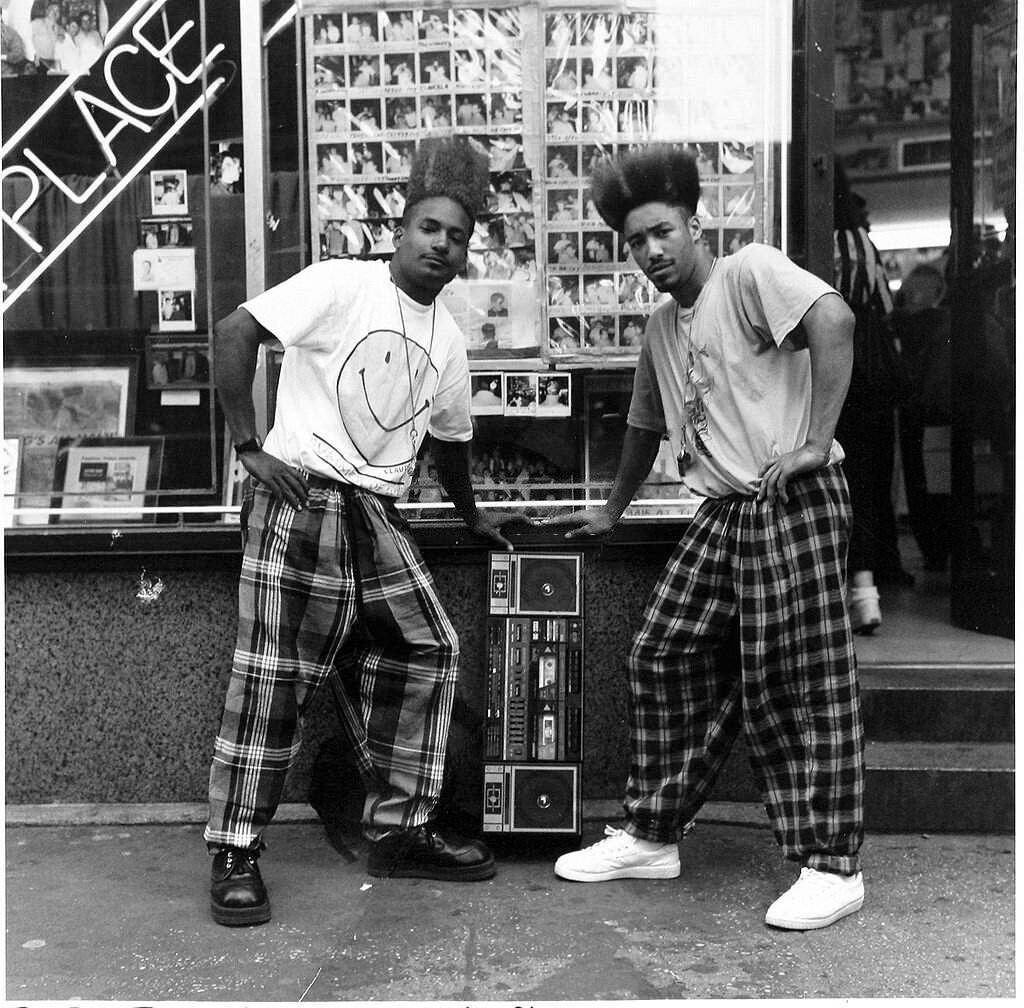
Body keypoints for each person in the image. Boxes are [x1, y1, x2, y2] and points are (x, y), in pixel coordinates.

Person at [205, 137, 533, 927]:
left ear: (465, 252)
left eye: (456, 237)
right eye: (429, 229)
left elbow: (451, 444)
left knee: (430, 647)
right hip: (302, 495)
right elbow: (232, 332)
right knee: (273, 675)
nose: (441, 246)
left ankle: (400, 828)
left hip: (378, 514)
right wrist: (249, 447)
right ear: (399, 231)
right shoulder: (340, 283)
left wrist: (473, 516)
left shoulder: (448, 339)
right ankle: (235, 849)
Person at [545, 145, 865, 932]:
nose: (650, 252)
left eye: (661, 232)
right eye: (634, 242)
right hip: (723, 509)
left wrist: (816, 441)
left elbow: (835, 317)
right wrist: (611, 512)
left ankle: (832, 865)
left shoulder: (748, 271)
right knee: (663, 653)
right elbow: (644, 425)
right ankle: (654, 833)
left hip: (789, 493)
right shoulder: (662, 323)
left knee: (796, 676)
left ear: (694, 223)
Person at [833, 163, 909, 633]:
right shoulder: (864, 245)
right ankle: (867, 594)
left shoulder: (811, 241)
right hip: (872, 374)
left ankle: (837, 594)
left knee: (833, 479)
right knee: (869, 481)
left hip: (829, 371)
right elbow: (885, 306)